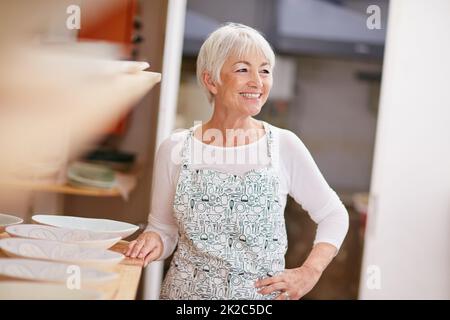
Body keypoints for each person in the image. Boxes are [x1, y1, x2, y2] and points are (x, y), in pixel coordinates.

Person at [125, 23, 349, 300]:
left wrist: (309, 272)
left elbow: (333, 214)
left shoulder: (283, 145)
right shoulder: (176, 148)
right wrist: (152, 241)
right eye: (243, 69)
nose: (258, 81)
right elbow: (163, 229)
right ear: (211, 80)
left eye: (265, 70)